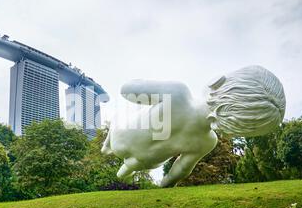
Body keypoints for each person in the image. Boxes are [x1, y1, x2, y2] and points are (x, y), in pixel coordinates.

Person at [101, 65, 286, 187]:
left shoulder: (178, 93)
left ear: (219, 82)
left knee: (120, 117)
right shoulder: (207, 141)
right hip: (146, 161)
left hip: (122, 137)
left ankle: (107, 146)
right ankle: (124, 168)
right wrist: (164, 185)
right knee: (126, 169)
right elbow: (181, 169)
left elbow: (127, 90)